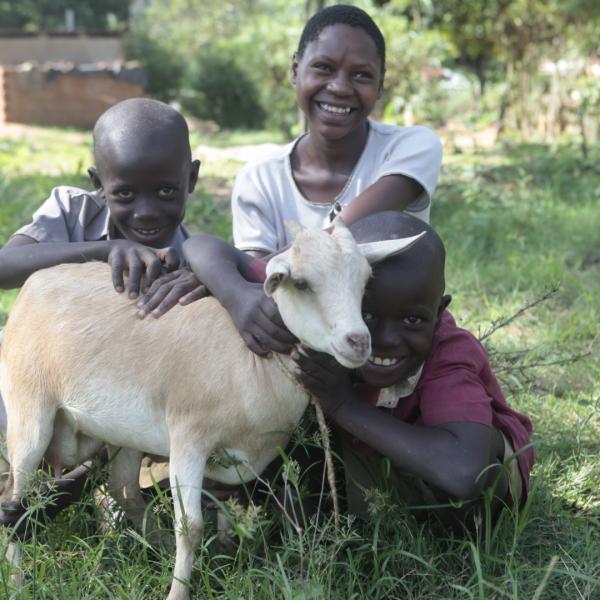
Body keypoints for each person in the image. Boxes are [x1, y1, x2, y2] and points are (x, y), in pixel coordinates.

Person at [182, 212, 534, 526]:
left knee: (475, 468)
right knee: (294, 412)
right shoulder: (329, 291)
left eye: (412, 319)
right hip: (369, 465)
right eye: (365, 314)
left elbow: (464, 472)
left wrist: (343, 405)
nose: (381, 339)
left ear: (439, 314)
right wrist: (239, 296)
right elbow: (202, 247)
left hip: (466, 486)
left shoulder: (449, 353)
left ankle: (412, 525)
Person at [0, 97, 203, 525]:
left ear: (193, 179)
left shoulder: (189, 266)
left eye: (166, 191)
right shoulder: (73, 212)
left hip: (113, 407)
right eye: (124, 194)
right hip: (35, 380)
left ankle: (89, 482)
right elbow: (5, 266)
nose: (146, 213)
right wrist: (103, 248)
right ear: (98, 182)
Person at [231, 4, 442, 257]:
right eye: (323, 67)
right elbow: (254, 281)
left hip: (387, 297)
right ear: (296, 70)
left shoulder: (411, 146)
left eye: (361, 75)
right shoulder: (259, 178)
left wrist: (257, 267)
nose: (340, 87)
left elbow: (257, 270)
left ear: (380, 85)